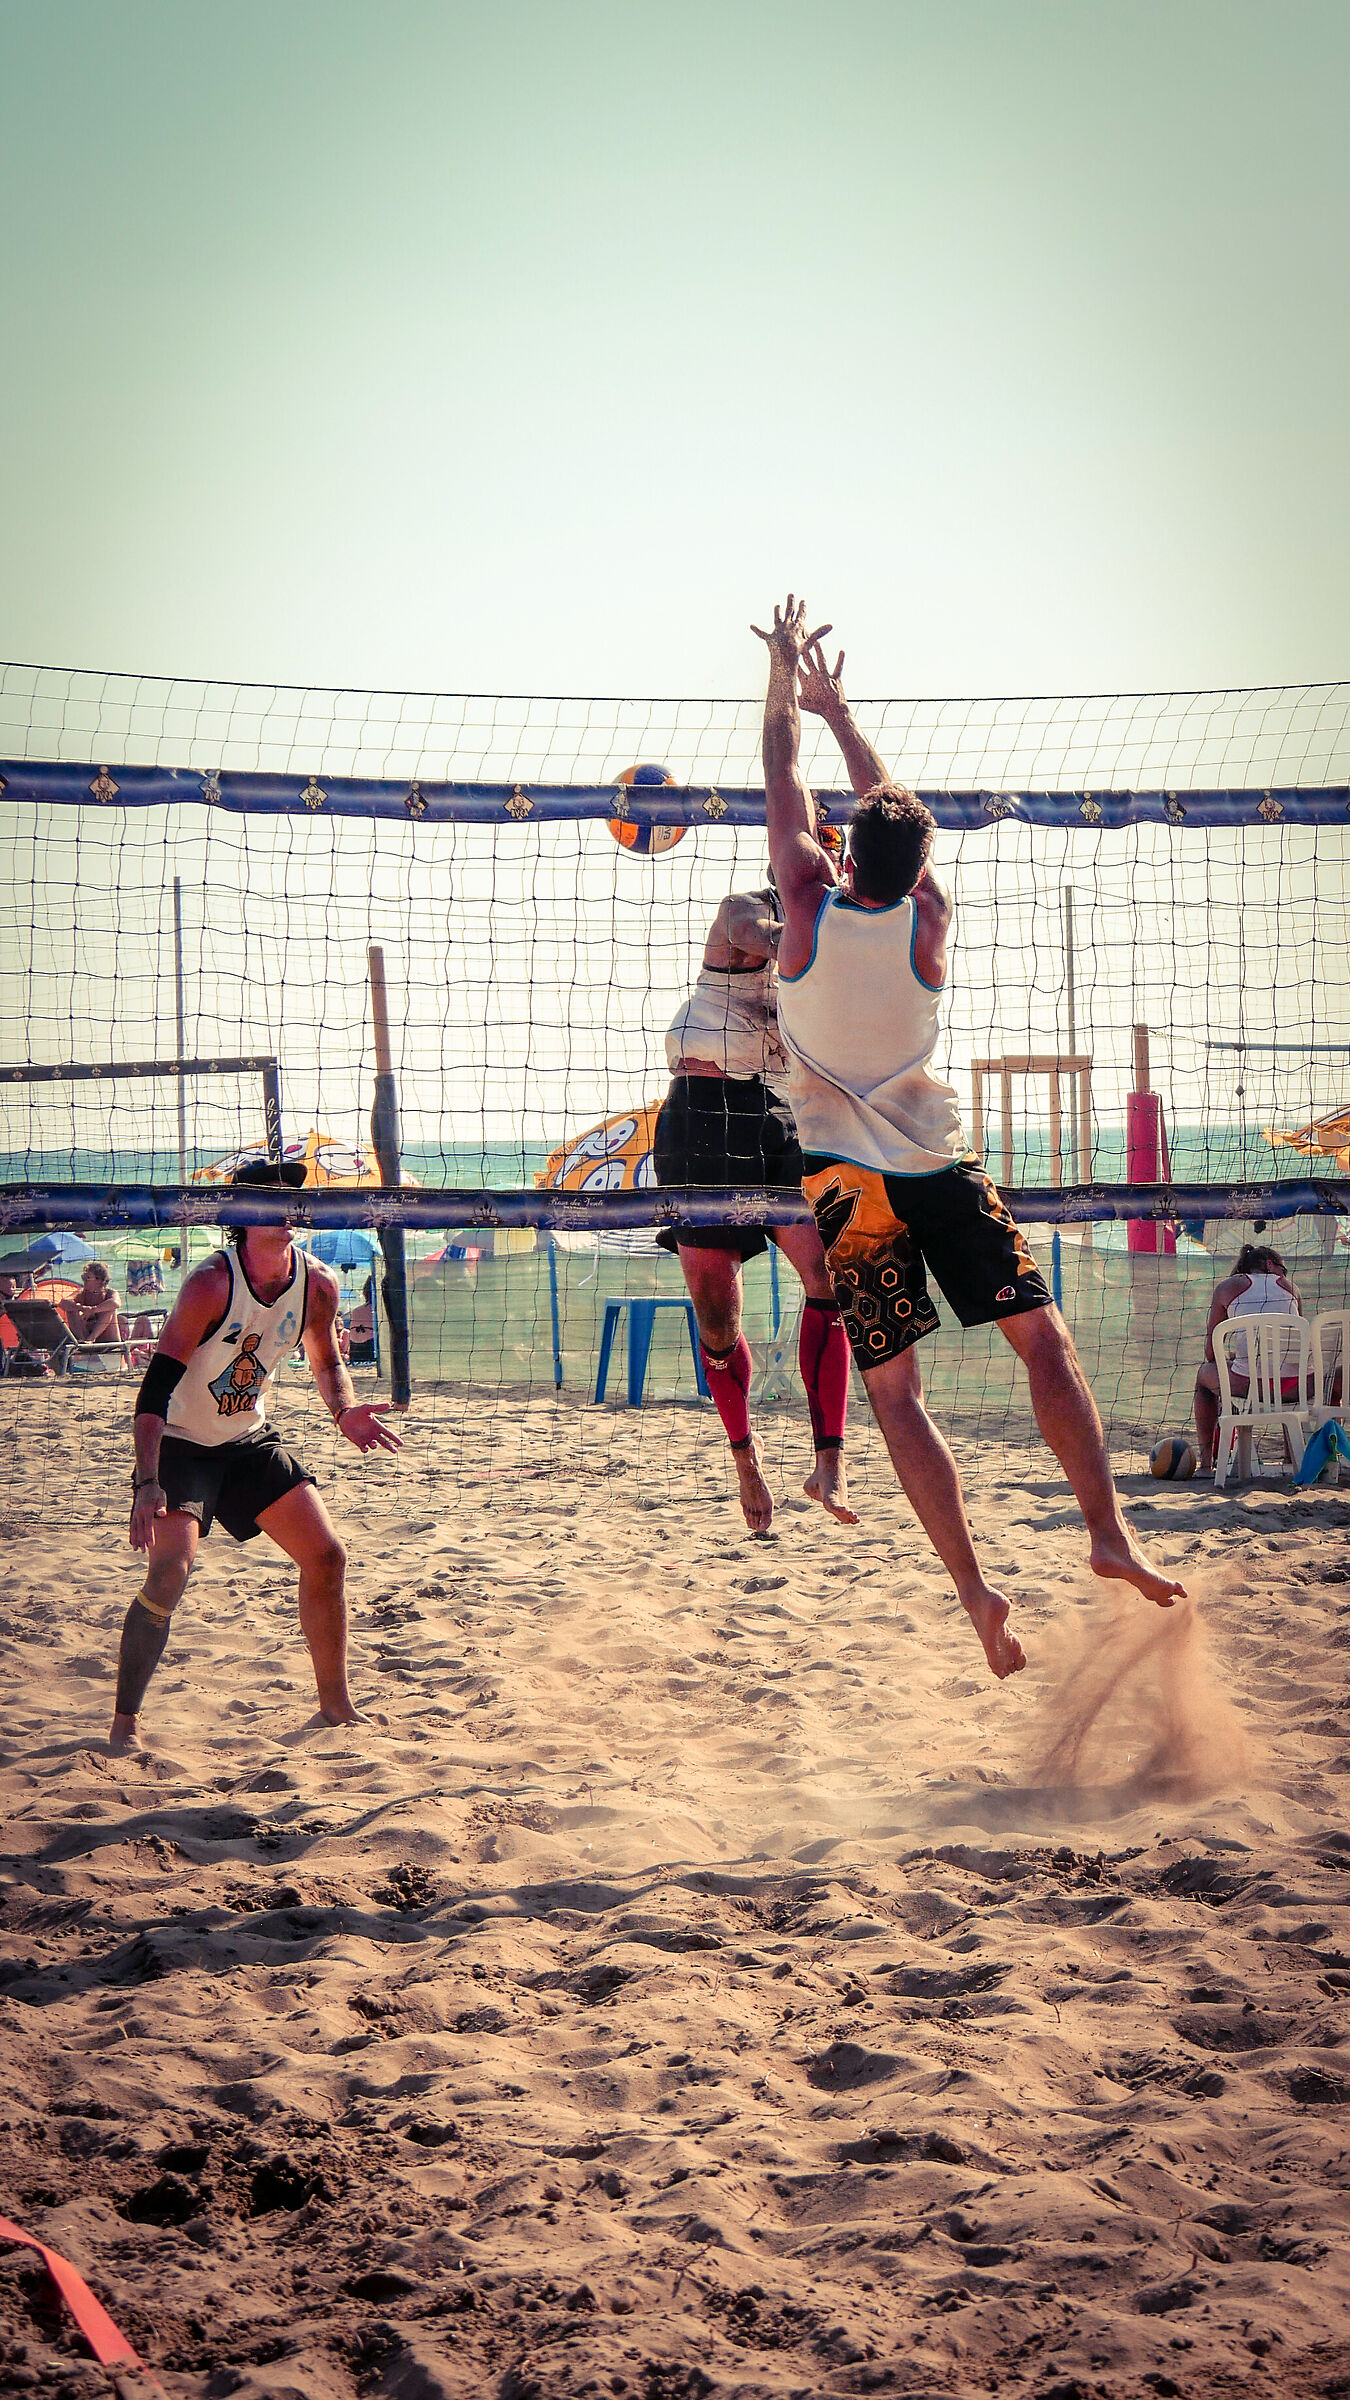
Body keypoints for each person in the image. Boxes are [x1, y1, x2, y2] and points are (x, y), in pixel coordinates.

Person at [754, 595, 1185, 1680]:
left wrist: (786, 691)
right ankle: (1107, 1531)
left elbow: (780, 773)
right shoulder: (932, 923)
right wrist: (844, 708)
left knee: (896, 1395)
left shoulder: (802, 908)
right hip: (942, 1162)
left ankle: (976, 1592)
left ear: (842, 858)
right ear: (914, 863)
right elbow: (885, 812)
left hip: (848, 1181)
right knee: (1046, 1345)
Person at [109, 1159, 402, 1753]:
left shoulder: (316, 1282)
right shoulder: (211, 1284)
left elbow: (326, 1362)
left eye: (293, 1198)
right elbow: (153, 1393)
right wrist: (146, 1482)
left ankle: (335, 1709)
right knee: (169, 1574)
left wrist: (344, 1412)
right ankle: (125, 1724)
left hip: (245, 1440)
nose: (289, 1208)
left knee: (327, 1556)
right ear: (241, 1218)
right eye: (273, 1199)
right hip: (181, 1443)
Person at [653, 881, 856, 1532]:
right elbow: (750, 933)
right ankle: (745, 1453)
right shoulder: (748, 909)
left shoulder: (848, 935)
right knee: (718, 1319)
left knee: (829, 1278)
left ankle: (830, 1461)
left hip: (778, 1114)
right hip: (703, 1117)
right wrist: (809, 941)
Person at [1193, 1241, 1304, 1471]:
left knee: (1204, 1378)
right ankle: (1291, 1457)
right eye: (1284, 1269)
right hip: (1294, 1388)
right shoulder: (1292, 1288)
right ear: (1270, 1264)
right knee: (1282, 1368)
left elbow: (1211, 1352)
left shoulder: (1227, 1287)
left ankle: (1206, 1463)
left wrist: (1235, 1359)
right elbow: (1293, 1346)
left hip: (1250, 1386)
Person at [62, 1260, 124, 1345]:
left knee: (109, 1309)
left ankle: (91, 1339)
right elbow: (64, 1302)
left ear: (99, 1280)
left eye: (86, 1278)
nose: (83, 1280)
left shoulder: (110, 1293)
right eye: (83, 1277)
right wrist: (82, 1308)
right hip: (85, 1334)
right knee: (71, 1308)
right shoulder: (82, 1293)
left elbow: (116, 1303)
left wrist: (93, 1310)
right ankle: (82, 1340)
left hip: (108, 1338)